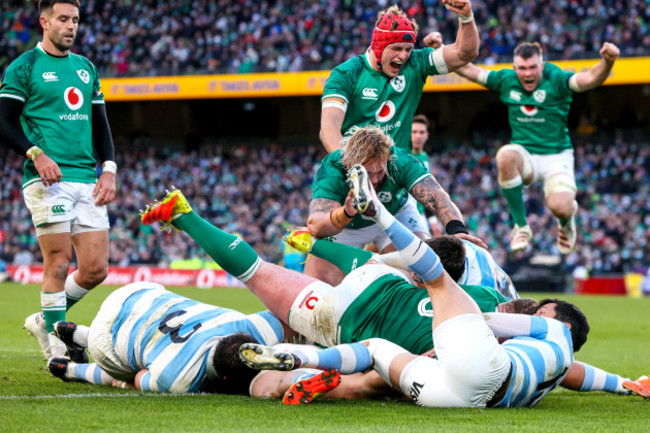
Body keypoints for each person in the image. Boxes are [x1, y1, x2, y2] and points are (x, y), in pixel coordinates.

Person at [140, 185, 642, 403]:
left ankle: (185, 215)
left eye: (539, 312)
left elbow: (571, 370)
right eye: (539, 309)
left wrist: (624, 385)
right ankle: (314, 370)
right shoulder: (493, 336)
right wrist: (620, 383)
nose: (532, 311)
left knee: (262, 270)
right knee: (263, 275)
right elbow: (570, 370)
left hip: (373, 283)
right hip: (348, 319)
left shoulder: (482, 296)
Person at [240, 165, 590, 408]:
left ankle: (377, 211)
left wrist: (459, 322)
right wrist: (623, 384)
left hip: (466, 359)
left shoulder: (511, 309)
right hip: (462, 395)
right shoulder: (553, 357)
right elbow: (577, 373)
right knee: (375, 375)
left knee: (385, 330)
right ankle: (315, 371)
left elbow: (487, 320)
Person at [0, 0, 117, 360]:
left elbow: (100, 124)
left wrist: (109, 168)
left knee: (96, 269)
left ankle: (44, 318)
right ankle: (57, 346)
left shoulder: (86, 69)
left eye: (76, 20)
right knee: (59, 261)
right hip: (46, 178)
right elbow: (3, 121)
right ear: (44, 21)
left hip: (87, 177)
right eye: (63, 19)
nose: (71, 26)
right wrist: (35, 153)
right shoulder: (24, 67)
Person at [46, 280, 342, 402]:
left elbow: (291, 317)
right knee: (124, 375)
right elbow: (138, 378)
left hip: (139, 293)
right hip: (107, 338)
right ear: (224, 377)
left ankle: (77, 334)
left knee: (141, 349)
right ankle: (70, 369)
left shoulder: (245, 324)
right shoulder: (180, 379)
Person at [453, 41, 620, 253]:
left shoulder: (556, 79)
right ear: (515, 69)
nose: (528, 73)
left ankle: (567, 219)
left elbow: (589, 79)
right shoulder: (506, 80)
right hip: (526, 155)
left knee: (560, 207)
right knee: (505, 155)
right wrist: (443, 52)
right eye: (522, 68)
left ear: (541, 66)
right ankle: (521, 226)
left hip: (557, 155)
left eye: (533, 67)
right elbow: (470, 70)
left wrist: (607, 61)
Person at [307, 124, 485, 285]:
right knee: (316, 290)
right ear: (348, 164)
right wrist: (346, 213)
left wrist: (457, 230)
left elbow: (437, 196)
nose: (376, 179)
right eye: (369, 173)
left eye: (380, 171)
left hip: (395, 213)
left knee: (420, 272)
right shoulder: (333, 168)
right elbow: (316, 226)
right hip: (347, 225)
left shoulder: (398, 160)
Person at [319, 2, 478, 153]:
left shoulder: (416, 62)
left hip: (398, 169)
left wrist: (466, 17)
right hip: (356, 168)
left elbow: (464, 53)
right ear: (379, 46)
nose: (403, 56)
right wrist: (352, 168)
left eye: (408, 49)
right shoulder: (346, 73)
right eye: (397, 48)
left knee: (430, 182)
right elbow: (329, 128)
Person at [286, 229, 518, 300]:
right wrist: (314, 245)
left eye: (417, 278)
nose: (413, 278)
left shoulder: (474, 297)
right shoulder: (460, 251)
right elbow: (372, 262)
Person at [408, 114, 434, 236]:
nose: (418, 136)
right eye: (414, 132)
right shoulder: (403, 156)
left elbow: (427, 190)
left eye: (421, 132)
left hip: (421, 215)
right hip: (404, 214)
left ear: (427, 135)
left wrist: (432, 219)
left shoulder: (425, 157)